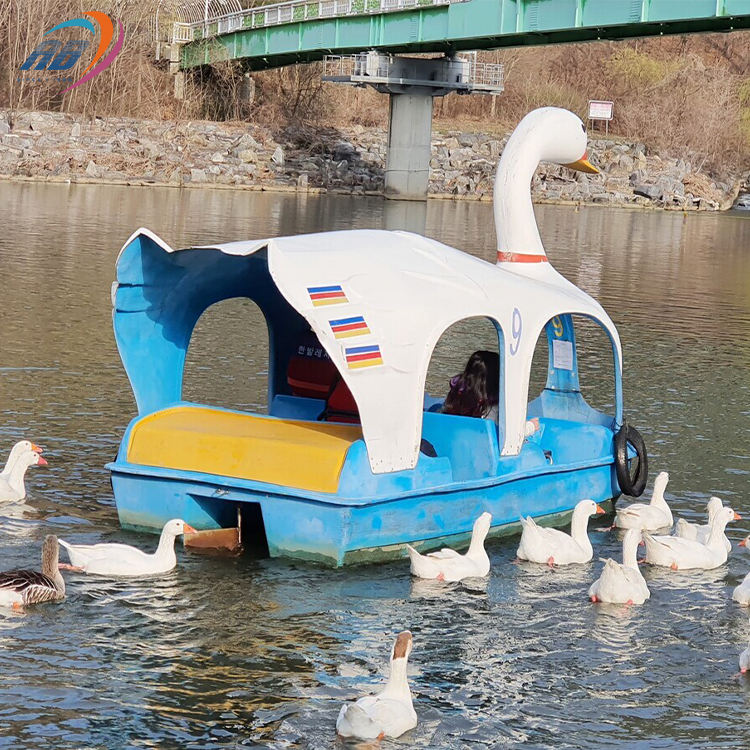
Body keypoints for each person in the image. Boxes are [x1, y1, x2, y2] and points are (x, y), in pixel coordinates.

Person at [442, 350, 540, 435]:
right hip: (481, 444)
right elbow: (508, 435)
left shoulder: (456, 394)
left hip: (454, 437)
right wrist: (530, 427)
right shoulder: (492, 406)